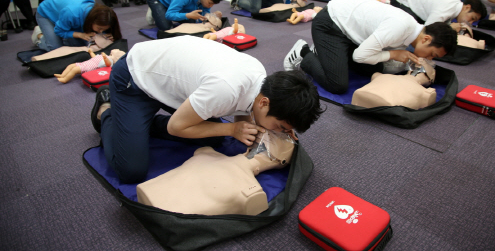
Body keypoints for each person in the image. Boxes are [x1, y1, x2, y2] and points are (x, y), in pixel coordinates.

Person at [90, 36, 323, 183]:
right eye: (280, 127)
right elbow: (175, 127)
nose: (278, 131)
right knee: (131, 171)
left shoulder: (262, 81)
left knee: (215, 140)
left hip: (172, 86)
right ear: (264, 103)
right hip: (135, 78)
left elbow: (244, 114)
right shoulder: (226, 89)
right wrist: (232, 129)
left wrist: (244, 129)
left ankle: (138, 124)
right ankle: (108, 110)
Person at [283, 0, 457, 94]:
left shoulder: (411, 30)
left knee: (375, 69)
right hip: (330, 25)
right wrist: (393, 55)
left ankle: (323, 51)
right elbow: (360, 56)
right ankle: (304, 53)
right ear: (426, 39)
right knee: (338, 85)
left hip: (350, 32)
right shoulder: (401, 28)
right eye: (432, 54)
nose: (429, 58)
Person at [136, 130, 295, 215]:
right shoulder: (207, 153)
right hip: (160, 207)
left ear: (280, 162)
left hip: (164, 213)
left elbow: (256, 204)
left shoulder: (251, 192)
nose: (265, 136)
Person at [32, 0, 122, 51]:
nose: (101, 31)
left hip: (67, 19)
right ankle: (39, 36)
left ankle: (56, 31)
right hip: (46, 12)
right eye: (99, 28)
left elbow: (101, 29)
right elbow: (59, 31)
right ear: (92, 21)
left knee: (81, 46)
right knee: (56, 48)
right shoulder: (72, 13)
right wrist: (79, 34)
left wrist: (107, 34)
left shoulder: (101, 16)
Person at [392, 0, 487, 32]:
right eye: (472, 18)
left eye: (473, 22)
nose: (470, 23)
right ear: (467, 7)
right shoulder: (448, 7)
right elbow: (428, 28)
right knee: (412, 32)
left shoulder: (456, 4)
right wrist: (449, 27)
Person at [54, 48, 125, 84]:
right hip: (85, 63)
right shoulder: (105, 55)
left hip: (89, 67)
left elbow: (108, 64)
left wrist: (105, 58)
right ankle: (62, 75)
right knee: (71, 65)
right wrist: (91, 52)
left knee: (74, 70)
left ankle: (65, 79)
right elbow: (94, 57)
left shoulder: (110, 61)